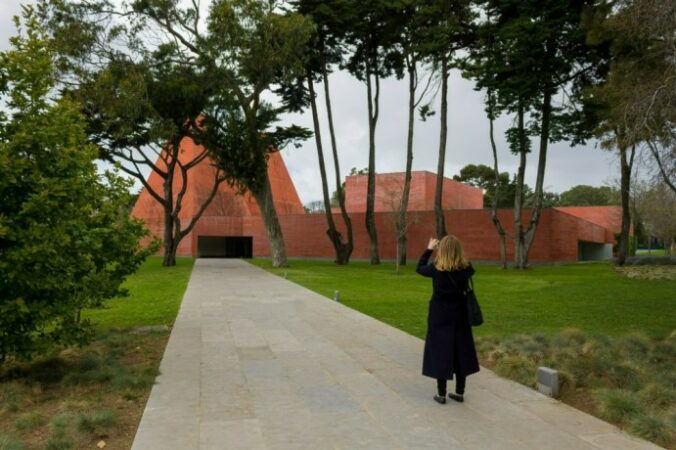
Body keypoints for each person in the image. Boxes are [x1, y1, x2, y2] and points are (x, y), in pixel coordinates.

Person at [417, 235, 480, 404]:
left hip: (439, 315)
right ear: (459, 250)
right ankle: (459, 392)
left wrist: (429, 248)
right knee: (461, 350)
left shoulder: (435, 269)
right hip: (460, 315)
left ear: (441, 250)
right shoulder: (466, 268)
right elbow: (470, 271)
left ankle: (442, 394)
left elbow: (419, 268)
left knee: (440, 351)